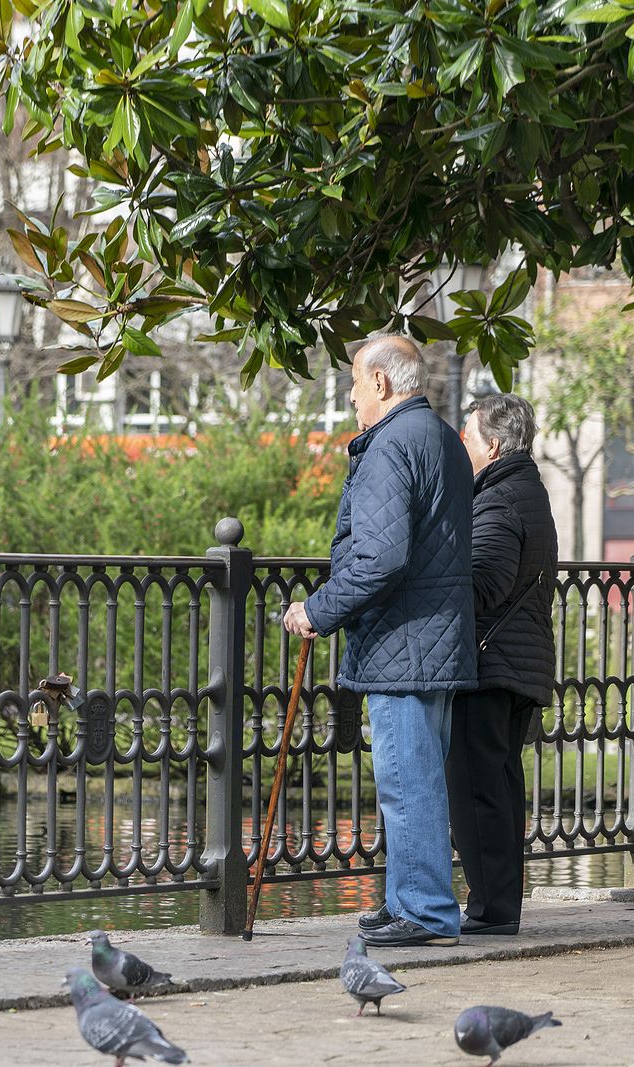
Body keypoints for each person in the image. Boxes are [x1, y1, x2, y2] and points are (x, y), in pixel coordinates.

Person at [282, 335, 476, 948]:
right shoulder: (442, 438)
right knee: (419, 775)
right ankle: (408, 902)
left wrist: (317, 610)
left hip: (403, 643)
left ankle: (423, 911)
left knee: (406, 778)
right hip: (437, 637)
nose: (352, 395)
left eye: (357, 383)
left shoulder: (390, 445)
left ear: (384, 385)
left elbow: (380, 557)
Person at [446, 393, 558, 936]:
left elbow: (484, 582)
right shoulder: (525, 491)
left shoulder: (498, 499)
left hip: (491, 665)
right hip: (517, 661)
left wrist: (435, 573)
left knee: (477, 788)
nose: (461, 445)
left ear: (491, 444)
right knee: (500, 784)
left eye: (467, 436)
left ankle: (491, 911)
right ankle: (499, 907)